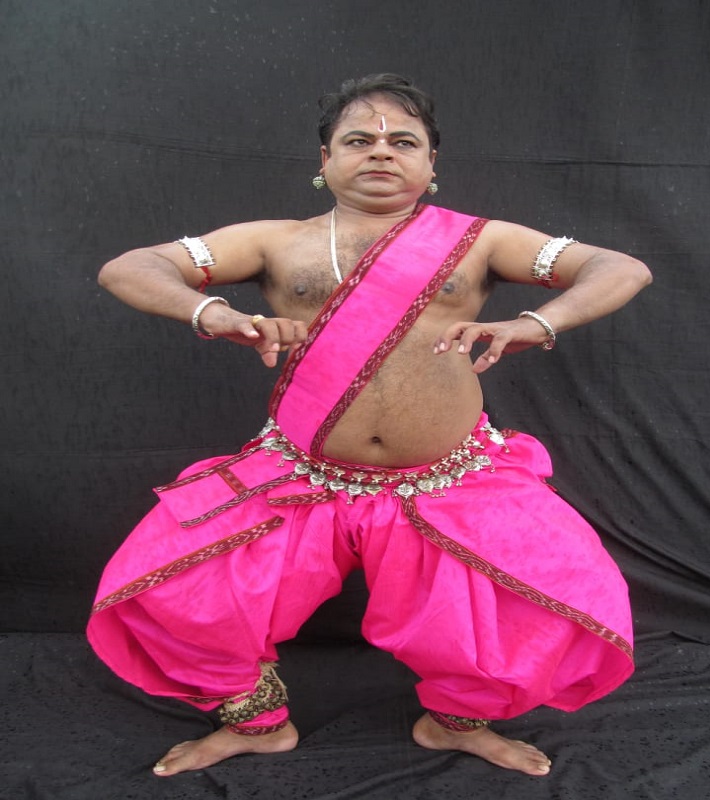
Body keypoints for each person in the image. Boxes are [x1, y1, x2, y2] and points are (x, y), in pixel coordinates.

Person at [87, 73, 652, 779]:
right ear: (324, 161)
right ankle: (257, 727)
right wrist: (212, 312)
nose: (381, 151)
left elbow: (618, 267)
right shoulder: (274, 241)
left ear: (431, 164)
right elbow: (131, 267)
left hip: (449, 481)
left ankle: (454, 724)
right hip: (300, 476)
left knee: (526, 612)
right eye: (358, 140)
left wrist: (539, 321)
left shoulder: (481, 241)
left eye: (403, 142)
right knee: (179, 595)